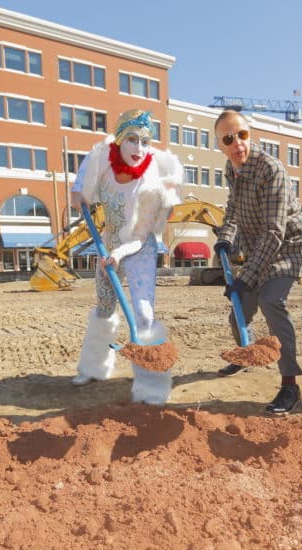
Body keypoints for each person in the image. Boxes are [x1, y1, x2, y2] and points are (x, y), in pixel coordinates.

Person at [70, 109, 182, 403]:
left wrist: (119, 253)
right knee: (104, 306)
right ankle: (93, 368)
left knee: (143, 315)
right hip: (108, 243)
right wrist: (78, 193)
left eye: (145, 142)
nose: (139, 148)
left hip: (138, 249)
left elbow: (140, 235)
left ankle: (152, 387)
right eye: (132, 139)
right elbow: (84, 176)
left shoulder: (151, 184)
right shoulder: (103, 162)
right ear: (119, 140)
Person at [212, 109, 302, 415]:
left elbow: (274, 231)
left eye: (242, 135)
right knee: (240, 307)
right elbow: (231, 211)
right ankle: (245, 354)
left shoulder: (270, 169)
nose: (238, 144)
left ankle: (290, 387)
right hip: (261, 247)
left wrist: (246, 277)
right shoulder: (231, 170)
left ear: (250, 134)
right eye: (229, 138)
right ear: (220, 144)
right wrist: (225, 236)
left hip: (290, 248)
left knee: (271, 300)